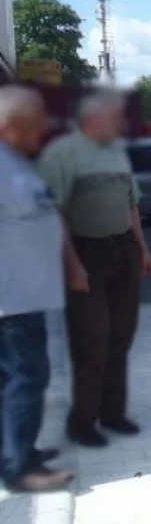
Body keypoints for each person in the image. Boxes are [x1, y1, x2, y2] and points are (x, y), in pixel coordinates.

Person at [36, 90, 151, 448]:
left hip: (123, 250)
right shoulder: (62, 153)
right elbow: (54, 213)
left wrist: (143, 249)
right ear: (92, 119)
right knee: (91, 340)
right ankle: (82, 422)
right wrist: (72, 264)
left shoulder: (116, 152)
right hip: (86, 253)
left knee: (121, 336)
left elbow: (132, 205)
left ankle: (113, 413)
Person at [0, 85, 74, 491]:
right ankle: (20, 468)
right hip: (12, 298)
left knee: (13, 379)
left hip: (24, 294)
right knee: (26, 378)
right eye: (35, 123)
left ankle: (14, 451)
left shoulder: (15, 163)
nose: (42, 130)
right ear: (11, 125)